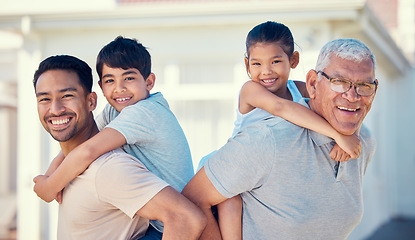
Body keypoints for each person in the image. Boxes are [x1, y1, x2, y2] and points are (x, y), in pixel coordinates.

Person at [182, 38, 378, 240]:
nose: (352, 95)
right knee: (230, 203)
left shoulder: (363, 141)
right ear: (313, 83)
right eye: (339, 82)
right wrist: (338, 134)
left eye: (364, 85)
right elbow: (192, 200)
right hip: (229, 166)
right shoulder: (265, 136)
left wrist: (348, 133)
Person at [33, 37, 195, 238]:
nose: (119, 88)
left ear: (149, 81)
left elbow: (88, 151)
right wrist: (50, 174)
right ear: (101, 87)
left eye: (129, 78)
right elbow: (80, 145)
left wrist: (50, 186)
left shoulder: (144, 112)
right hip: (157, 216)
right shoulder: (115, 111)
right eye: (110, 80)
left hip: (165, 225)